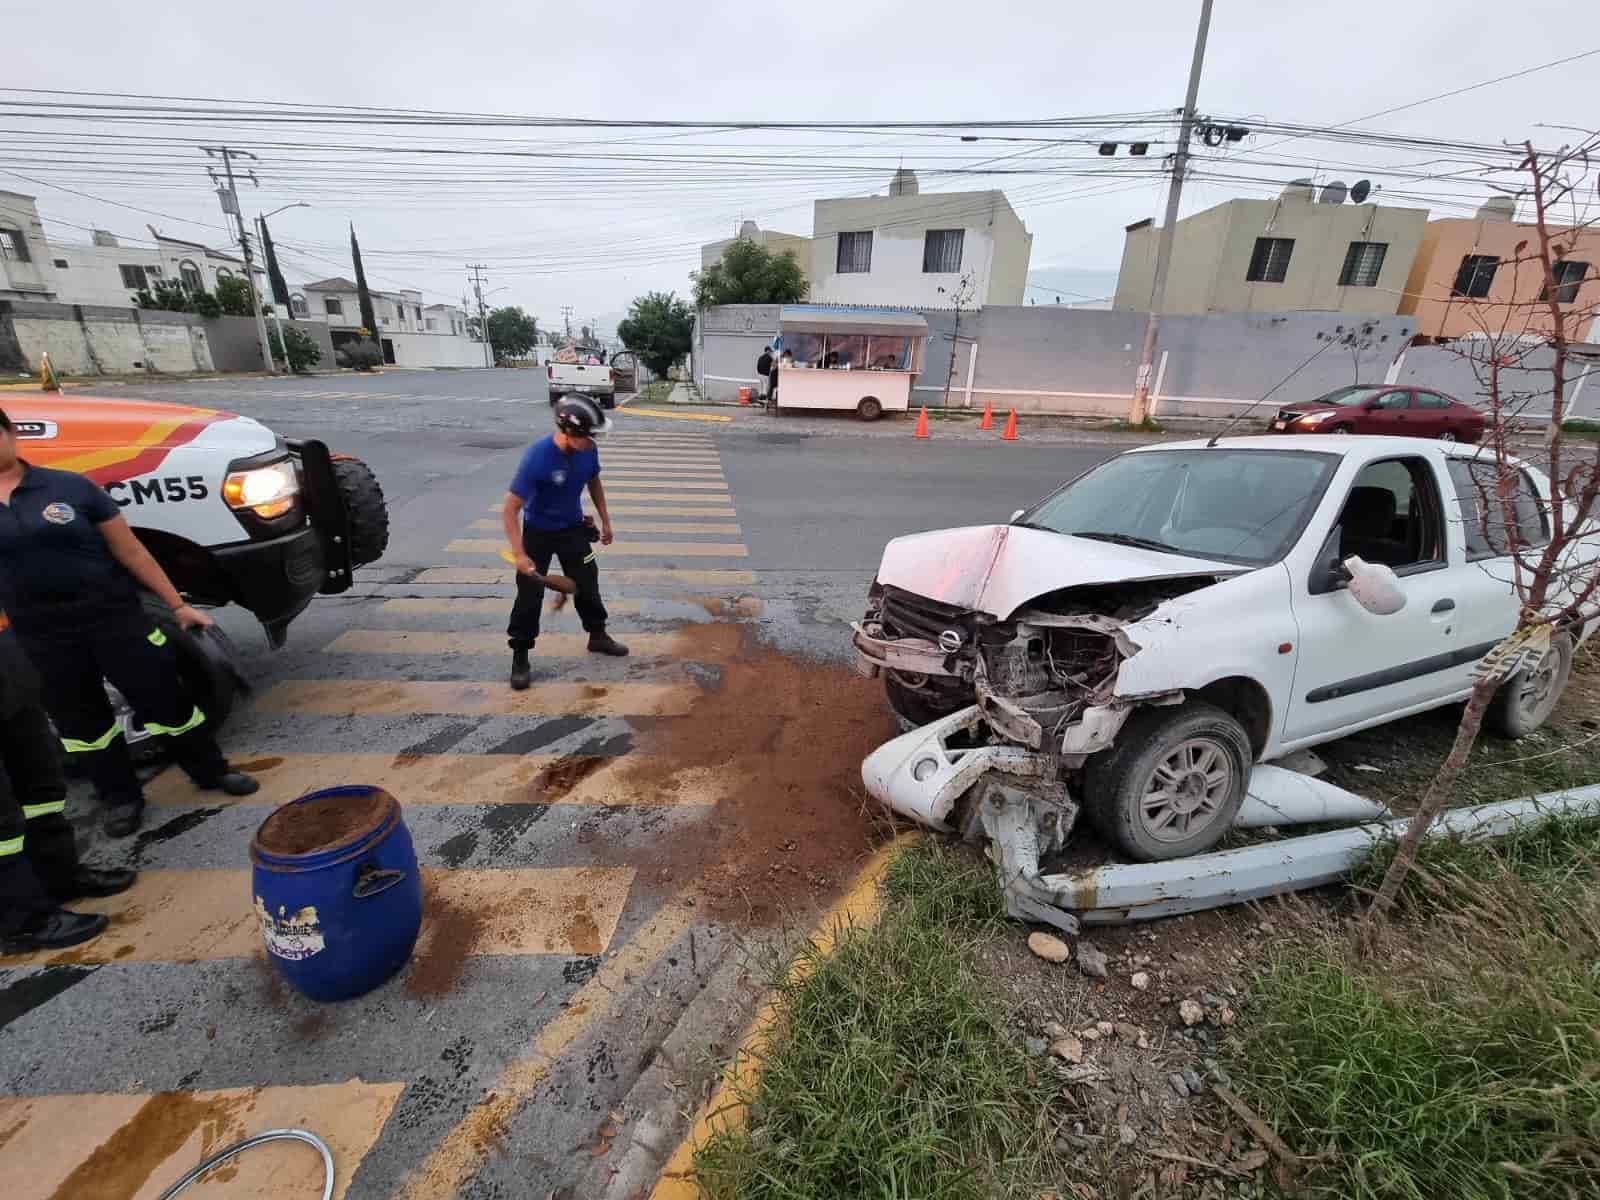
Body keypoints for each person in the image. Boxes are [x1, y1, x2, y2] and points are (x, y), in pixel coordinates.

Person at [0, 407, 258, 839]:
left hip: (113, 617)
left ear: (10, 434)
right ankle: (121, 798)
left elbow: (132, 551)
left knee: (166, 702)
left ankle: (211, 771)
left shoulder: (70, 487)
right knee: (83, 727)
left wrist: (177, 606)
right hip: (39, 636)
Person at [1, 618, 134, 952]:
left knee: (41, 789)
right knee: (2, 824)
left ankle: (59, 877)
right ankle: (23, 922)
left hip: (9, 672)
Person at [503, 395, 629, 690]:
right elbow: (510, 509)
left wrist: (605, 520)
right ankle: (520, 654)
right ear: (570, 433)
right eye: (590, 435)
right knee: (529, 593)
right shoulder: (538, 457)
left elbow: (593, 481)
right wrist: (519, 554)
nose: (594, 441)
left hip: (573, 528)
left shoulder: (588, 450)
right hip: (538, 533)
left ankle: (597, 635)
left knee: (588, 578)